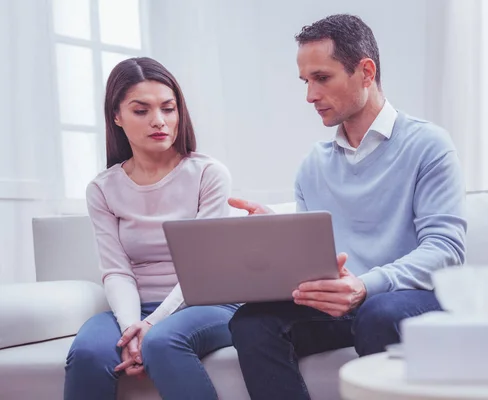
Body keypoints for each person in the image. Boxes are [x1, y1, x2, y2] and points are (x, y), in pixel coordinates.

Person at [228, 14, 467, 399]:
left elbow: (445, 252)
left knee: (379, 313)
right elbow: (314, 258)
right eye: (306, 82)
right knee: (251, 323)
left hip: (412, 297)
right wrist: (277, 238)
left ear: (366, 72)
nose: (310, 95)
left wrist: (365, 286)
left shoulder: (428, 145)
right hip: (344, 301)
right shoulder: (314, 164)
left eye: (322, 78)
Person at [63, 57, 237, 400]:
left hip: (209, 302)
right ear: (116, 116)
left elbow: (201, 269)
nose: (159, 121)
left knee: (161, 341)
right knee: (87, 353)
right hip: (135, 307)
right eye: (141, 111)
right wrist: (132, 327)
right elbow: (116, 270)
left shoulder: (208, 173)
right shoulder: (102, 188)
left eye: (168, 109)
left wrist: (153, 325)